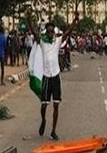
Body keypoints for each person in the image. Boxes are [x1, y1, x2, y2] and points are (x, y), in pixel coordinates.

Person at [28, 11, 79, 140]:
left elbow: (67, 32)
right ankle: (43, 120)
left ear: (54, 33)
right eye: (49, 31)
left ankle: (53, 130)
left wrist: (74, 21)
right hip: (46, 77)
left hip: (55, 76)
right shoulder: (43, 42)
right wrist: (28, 20)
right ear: (46, 32)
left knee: (56, 104)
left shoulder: (57, 41)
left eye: (52, 32)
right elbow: (34, 33)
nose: (51, 34)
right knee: (44, 104)